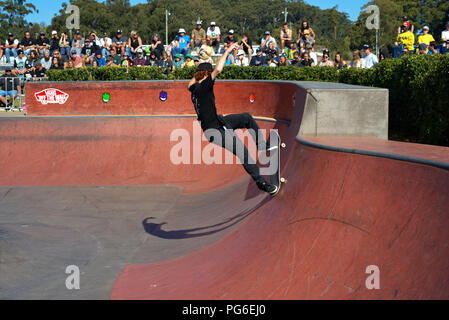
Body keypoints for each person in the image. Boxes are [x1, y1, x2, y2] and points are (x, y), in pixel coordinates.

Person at [187, 42, 278, 195]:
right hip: (214, 131)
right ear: (206, 75)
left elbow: (190, 82)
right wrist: (228, 51)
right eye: (209, 75)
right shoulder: (204, 87)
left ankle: (262, 146)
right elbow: (218, 69)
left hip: (219, 122)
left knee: (246, 118)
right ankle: (261, 183)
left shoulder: (193, 89)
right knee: (242, 151)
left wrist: (200, 68)